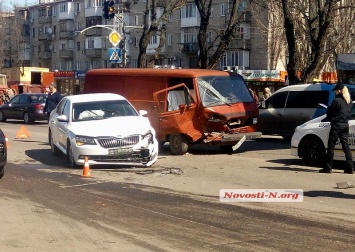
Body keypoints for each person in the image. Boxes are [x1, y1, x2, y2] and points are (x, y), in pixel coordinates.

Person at [320, 84, 354, 174]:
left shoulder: (337, 101)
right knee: (345, 146)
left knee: (331, 146)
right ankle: (350, 168)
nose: (335, 91)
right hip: (345, 125)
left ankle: (328, 167)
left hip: (336, 125)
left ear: (340, 90)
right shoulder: (349, 101)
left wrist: (330, 115)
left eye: (336, 90)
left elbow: (329, 113)